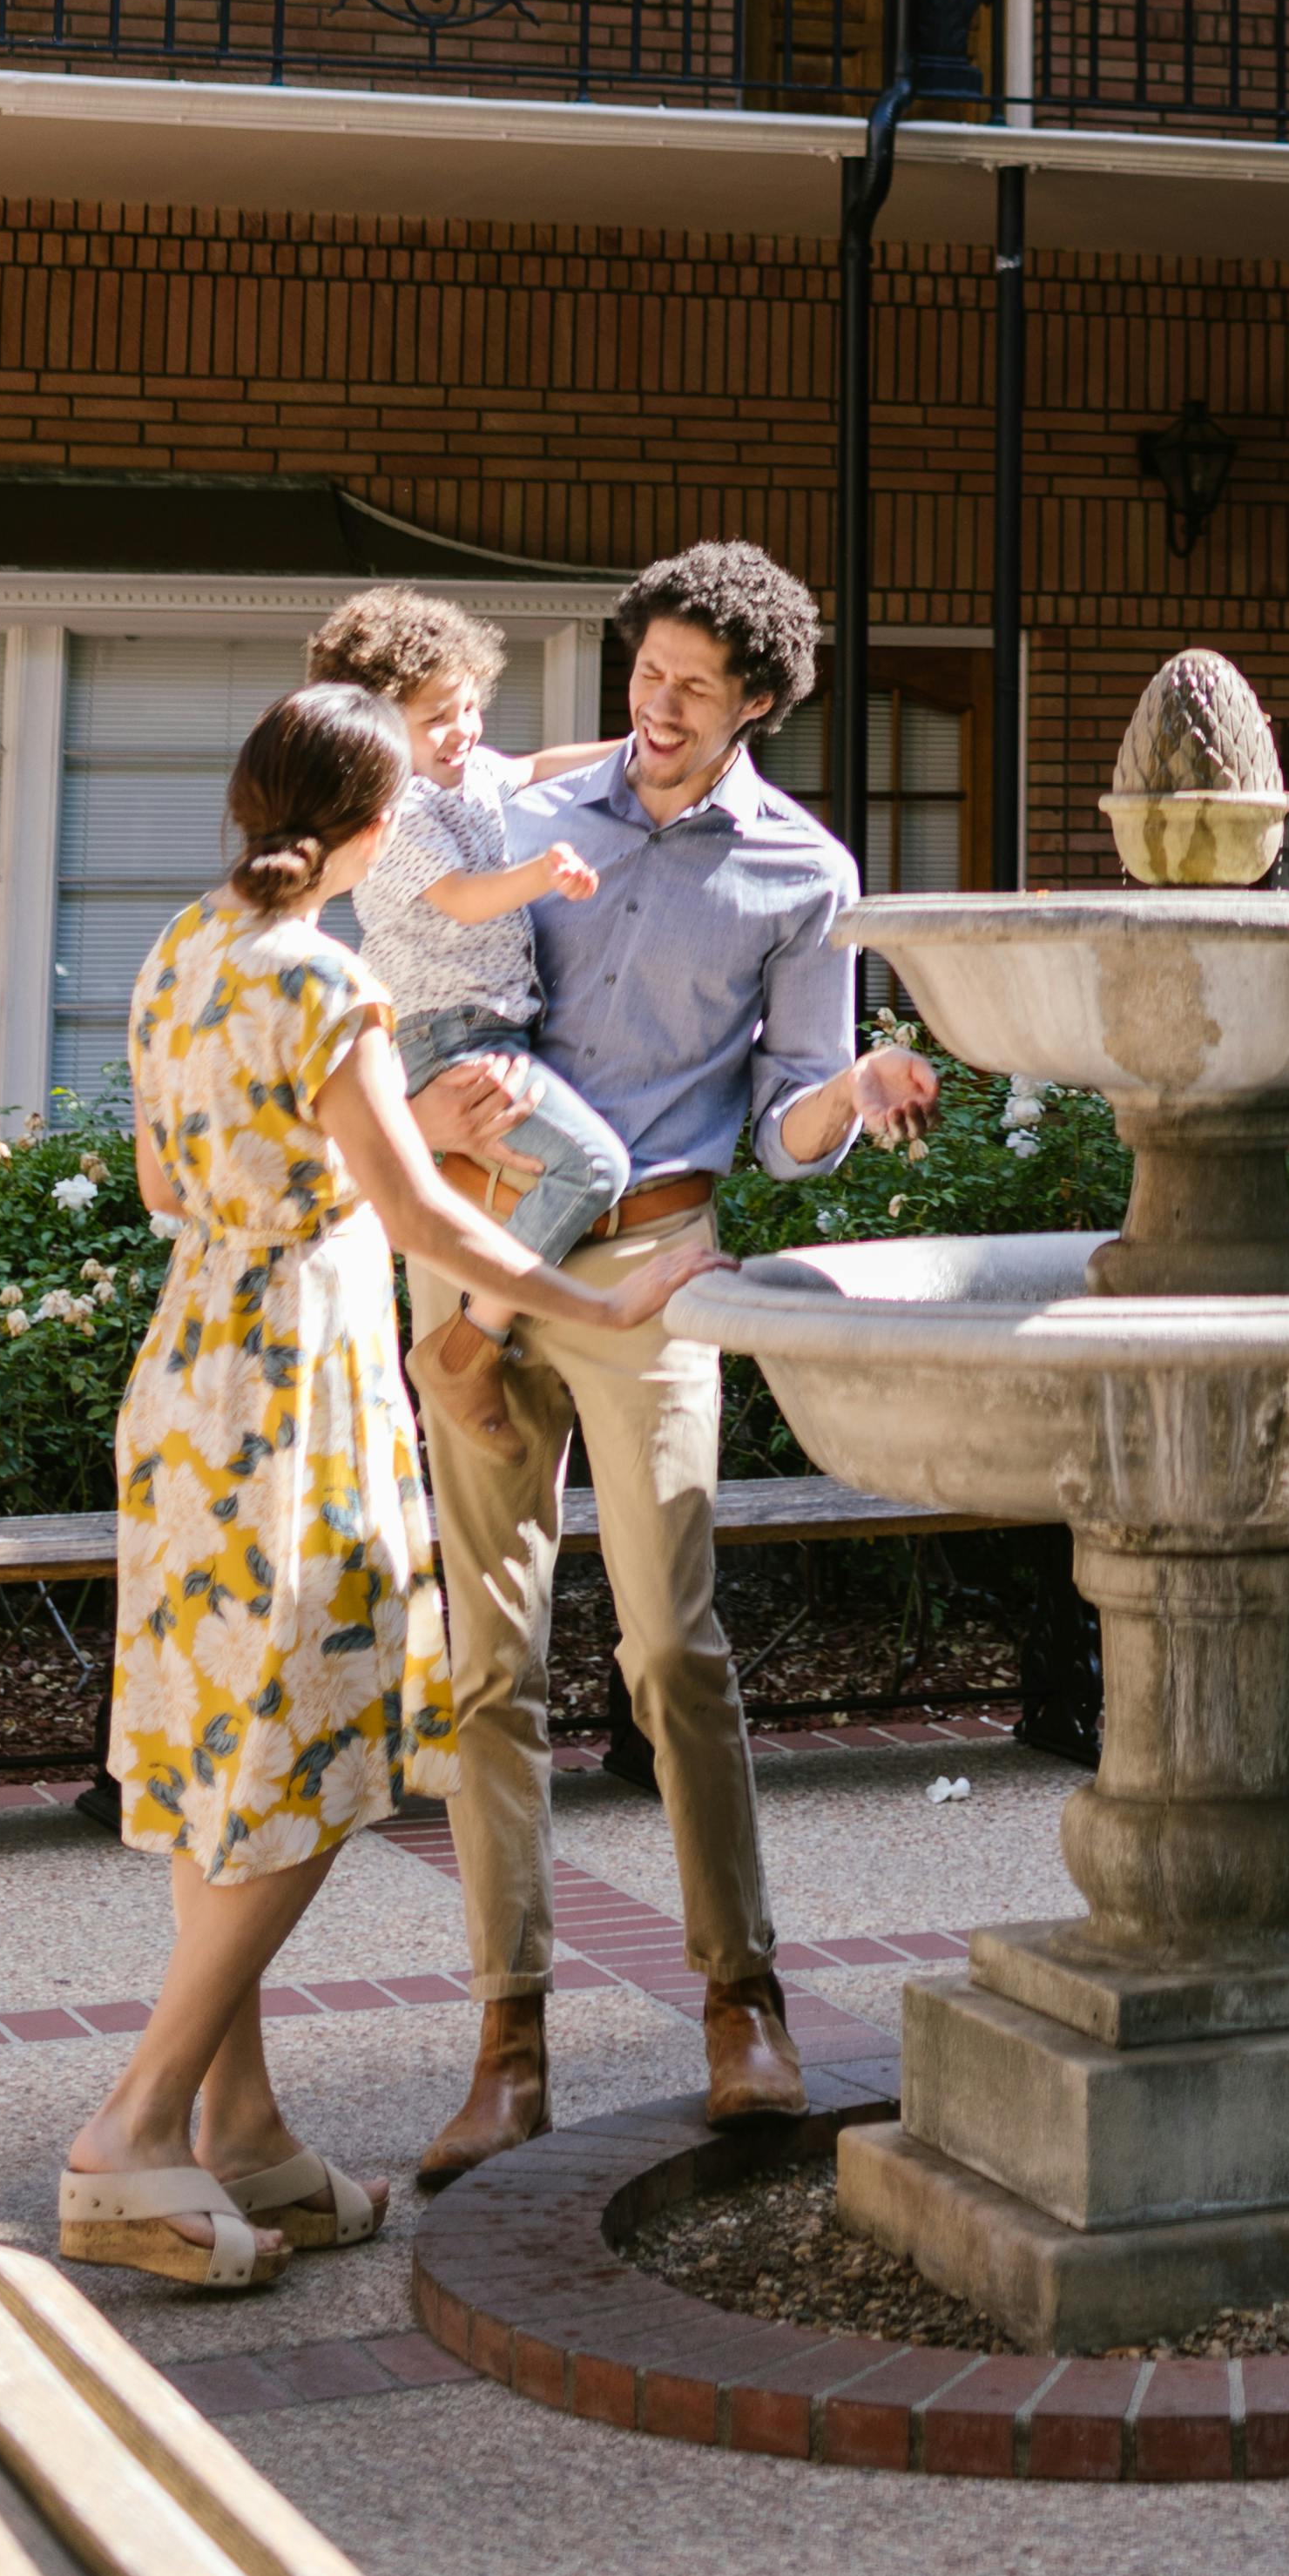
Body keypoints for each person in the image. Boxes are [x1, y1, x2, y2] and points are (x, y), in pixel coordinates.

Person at [67, 682, 722, 2292]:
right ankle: (130, 2132)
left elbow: (167, 1175)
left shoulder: (182, 947)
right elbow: (425, 1217)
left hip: (187, 1372)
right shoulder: (329, 973)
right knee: (314, 1742)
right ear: (366, 830)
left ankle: (247, 2130)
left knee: (228, 1734)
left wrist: (347, 1151)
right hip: (301, 1385)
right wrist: (602, 1301)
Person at [409, 539, 942, 2188]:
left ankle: (742, 2001)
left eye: (691, 685)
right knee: (488, 1669)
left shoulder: (803, 871)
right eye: (643, 672)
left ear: (757, 702)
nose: (654, 703)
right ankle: (508, 2040)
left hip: (656, 1259)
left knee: (669, 1650)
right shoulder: (531, 820)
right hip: (482, 1255)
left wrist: (849, 1094)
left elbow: (786, 1123)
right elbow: (421, 966)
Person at [303, 588, 626, 1453]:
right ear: (377, 732)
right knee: (594, 1166)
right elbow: (465, 898)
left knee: (535, 1172)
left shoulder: (469, 770)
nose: (464, 730)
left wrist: (640, 748)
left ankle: (476, 1334)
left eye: (471, 705)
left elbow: (535, 767)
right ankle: (465, 1346)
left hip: (495, 1030)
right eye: (437, 717)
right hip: (450, 1037)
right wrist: (545, 872)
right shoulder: (399, 807)